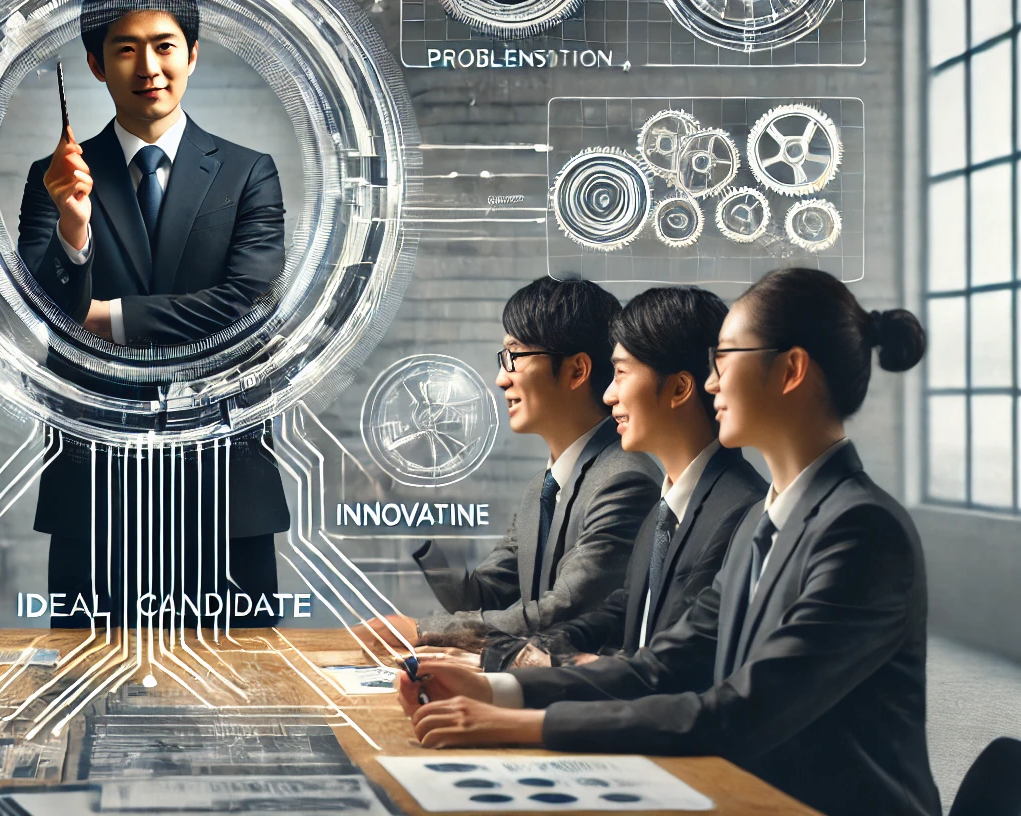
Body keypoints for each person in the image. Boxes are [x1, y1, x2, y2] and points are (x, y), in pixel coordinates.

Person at [401, 268, 939, 816]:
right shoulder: (764, 518)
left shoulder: (863, 530)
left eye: (725, 358)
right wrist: (497, 691)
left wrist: (519, 723)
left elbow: (739, 712)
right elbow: (660, 667)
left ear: (791, 370)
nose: (710, 383)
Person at [16, 0, 290, 627]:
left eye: (165, 45)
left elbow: (245, 303)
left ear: (192, 55)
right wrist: (74, 231)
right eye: (126, 48)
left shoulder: (248, 172)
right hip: (95, 483)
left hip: (222, 482)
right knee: (83, 682)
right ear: (95, 63)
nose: (150, 66)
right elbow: (41, 308)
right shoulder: (52, 180)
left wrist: (107, 316)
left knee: (242, 689)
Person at [356, 276, 660, 666]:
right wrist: (410, 516)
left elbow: (561, 610)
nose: (502, 379)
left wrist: (423, 630)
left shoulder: (624, 479)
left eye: (513, 356)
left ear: (576, 371)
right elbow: (480, 598)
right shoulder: (544, 488)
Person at [487, 287, 765, 666]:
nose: (607, 395)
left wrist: (537, 664)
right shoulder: (665, 511)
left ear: (680, 388)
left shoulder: (739, 513)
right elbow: (621, 613)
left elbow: (675, 667)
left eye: (620, 373)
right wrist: (526, 653)